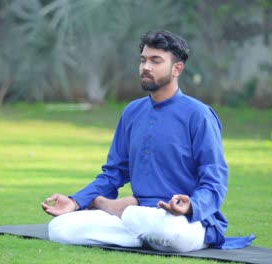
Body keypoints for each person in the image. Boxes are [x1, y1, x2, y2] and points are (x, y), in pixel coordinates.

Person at [41, 30, 253, 252]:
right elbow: (113, 174)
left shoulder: (199, 115)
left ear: (177, 69)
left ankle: (124, 215)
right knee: (60, 227)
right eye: (143, 60)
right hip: (141, 214)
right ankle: (136, 227)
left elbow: (215, 182)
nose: (146, 67)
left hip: (182, 221)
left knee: (166, 231)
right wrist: (75, 202)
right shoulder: (132, 112)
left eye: (156, 61)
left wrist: (190, 205)